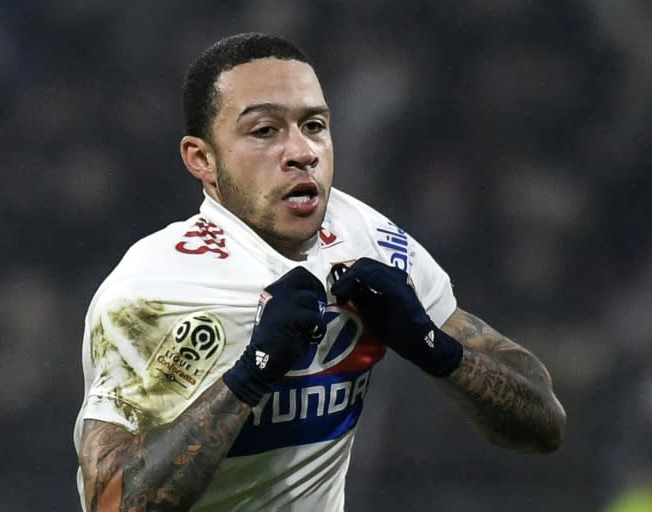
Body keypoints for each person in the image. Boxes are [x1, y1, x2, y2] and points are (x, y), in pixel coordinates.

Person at [73, 32, 567, 512]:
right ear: (202, 158)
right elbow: (113, 503)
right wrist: (252, 373)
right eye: (265, 131)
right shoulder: (153, 288)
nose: (302, 151)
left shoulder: (365, 236)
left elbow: (544, 423)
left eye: (314, 126)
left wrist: (429, 344)